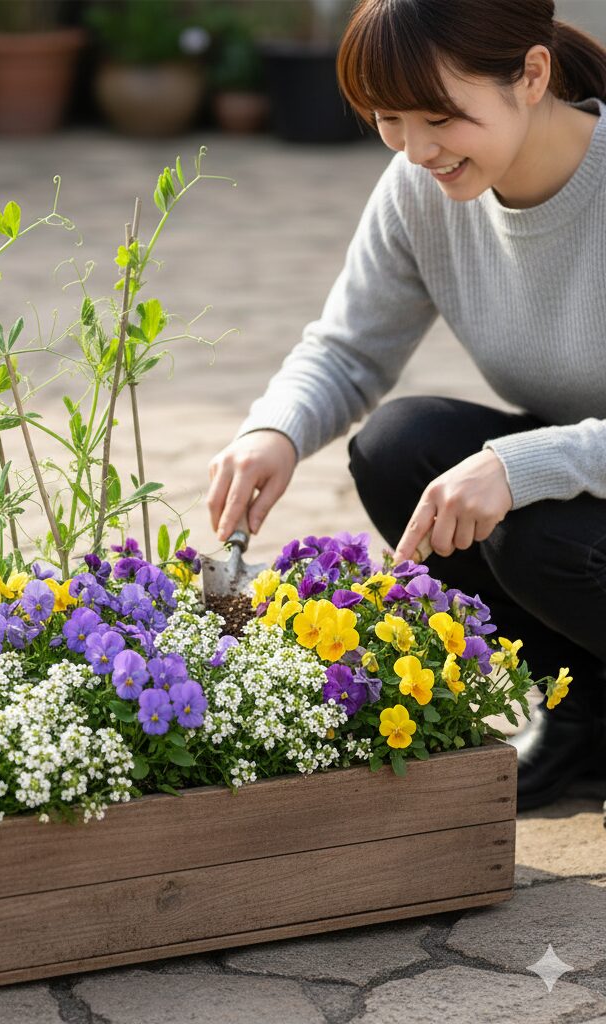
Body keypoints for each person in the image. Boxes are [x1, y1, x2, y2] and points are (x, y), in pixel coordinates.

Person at [207, 0, 606, 811]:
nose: (417, 149)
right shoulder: (423, 189)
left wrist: (519, 463)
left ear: (532, 76)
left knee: (536, 530)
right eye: (389, 118)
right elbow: (350, 347)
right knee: (401, 446)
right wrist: (274, 431)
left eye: (441, 117)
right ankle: (584, 705)